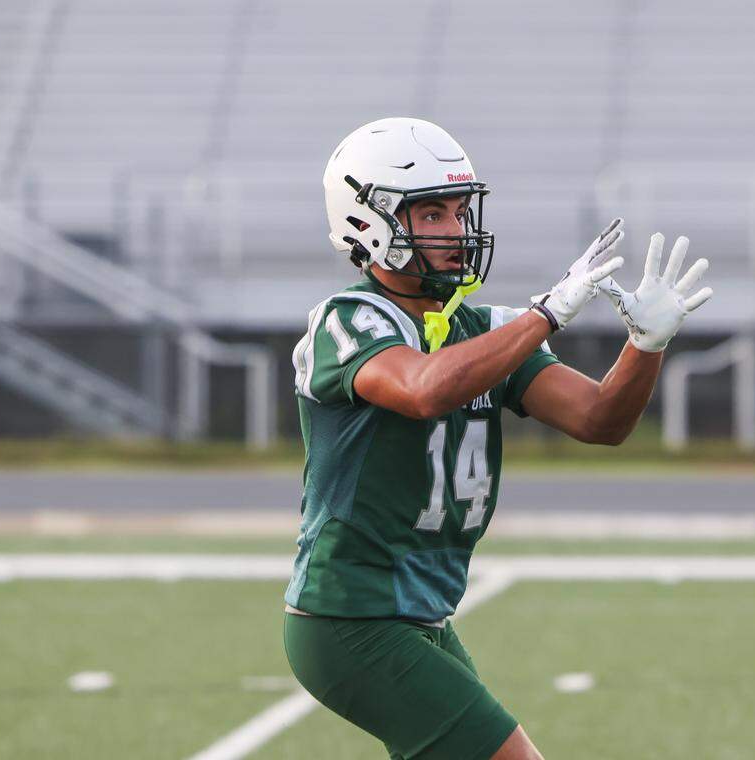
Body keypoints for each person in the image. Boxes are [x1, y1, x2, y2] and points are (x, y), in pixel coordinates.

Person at [282, 117, 712, 760]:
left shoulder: (485, 329)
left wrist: (644, 347)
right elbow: (423, 388)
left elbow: (600, 421)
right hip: (352, 617)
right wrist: (545, 316)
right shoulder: (349, 320)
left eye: (459, 211)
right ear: (367, 224)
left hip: (418, 614)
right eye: (430, 214)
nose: (455, 230)